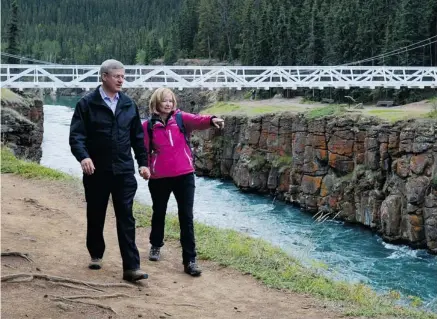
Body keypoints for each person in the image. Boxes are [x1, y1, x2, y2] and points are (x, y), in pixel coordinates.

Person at [69, 59, 151, 282]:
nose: (121, 80)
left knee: (126, 217)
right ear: (104, 76)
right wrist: (84, 157)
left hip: (124, 171)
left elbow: (137, 138)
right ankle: (96, 253)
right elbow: (76, 137)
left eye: (123, 76)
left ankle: (131, 267)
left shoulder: (128, 104)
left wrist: (143, 163)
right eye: (117, 76)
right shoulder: (86, 104)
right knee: (96, 214)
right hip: (96, 171)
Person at [143, 88, 224, 276]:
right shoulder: (147, 126)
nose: (168, 104)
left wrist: (212, 119)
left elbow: (198, 120)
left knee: (186, 217)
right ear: (156, 103)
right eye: (164, 101)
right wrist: (145, 167)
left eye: (171, 100)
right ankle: (156, 245)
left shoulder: (180, 118)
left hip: (184, 175)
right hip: (159, 177)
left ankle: (190, 261)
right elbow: (144, 150)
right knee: (159, 212)